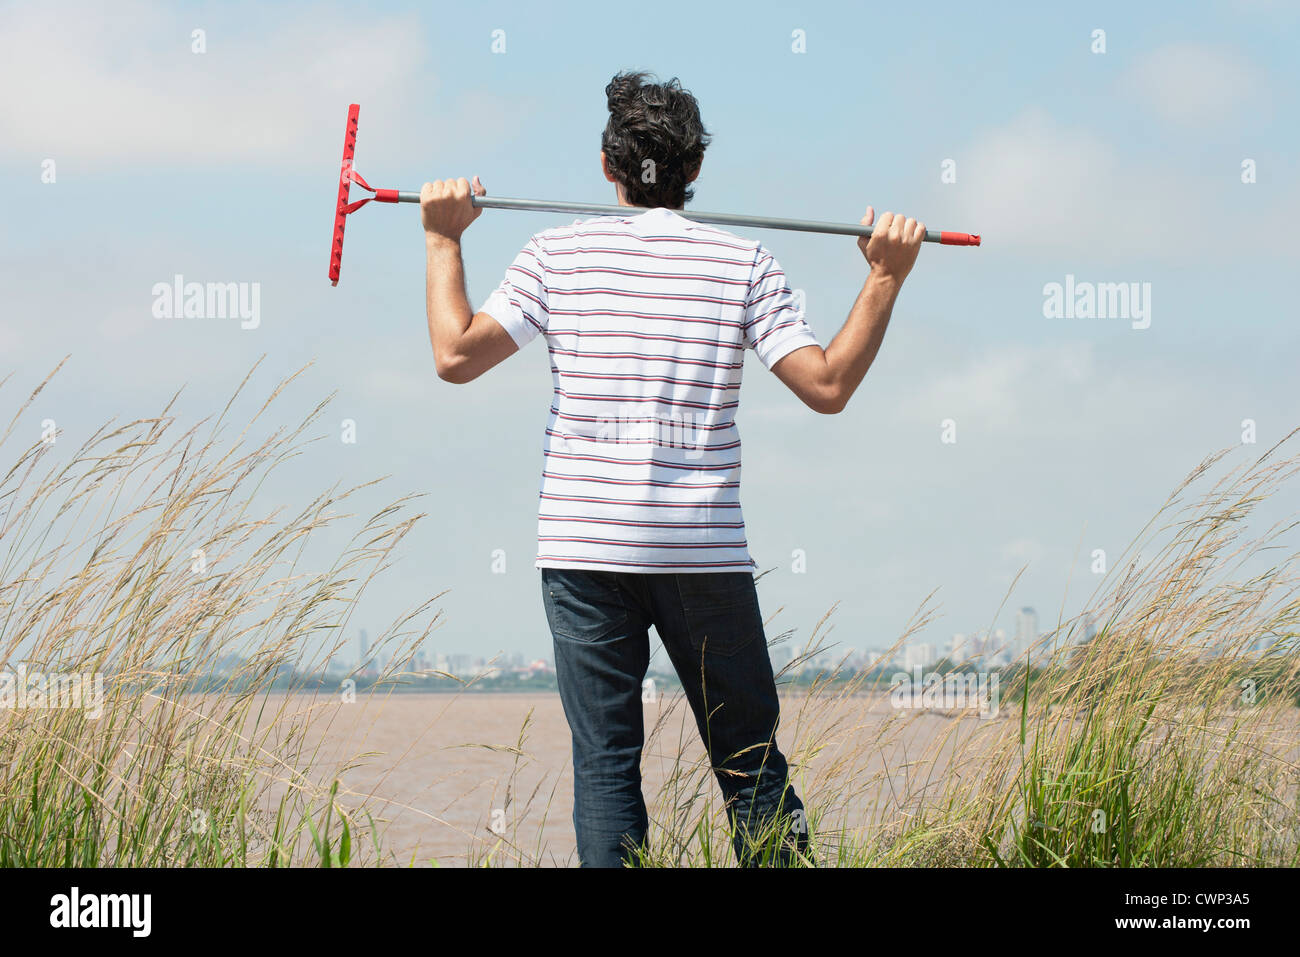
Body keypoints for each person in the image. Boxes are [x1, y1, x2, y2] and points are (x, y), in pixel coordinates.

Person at [419, 71, 925, 867]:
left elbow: (454, 355)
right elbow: (826, 386)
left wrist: (444, 237)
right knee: (750, 761)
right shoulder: (744, 262)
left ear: (607, 167)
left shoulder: (554, 253)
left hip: (583, 552)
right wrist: (886, 275)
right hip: (702, 553)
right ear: (694, 173)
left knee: (607, 767)